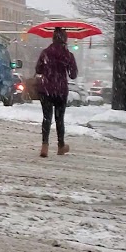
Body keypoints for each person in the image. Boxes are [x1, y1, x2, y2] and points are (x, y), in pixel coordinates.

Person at [35, 28, 78, 158]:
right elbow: (73, 75)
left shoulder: (45, 53)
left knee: (46, 118)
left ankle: (45, 146)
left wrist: (48, 69)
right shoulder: (68, 55)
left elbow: (38, 70)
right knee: (60, 119)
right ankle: (60, 146)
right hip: (60, 91)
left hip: (46, 89)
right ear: (65, 39)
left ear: (53, 38)